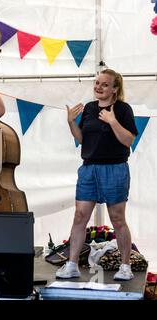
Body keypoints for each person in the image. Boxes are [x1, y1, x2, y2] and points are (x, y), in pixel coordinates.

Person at [56, 69, 138, 281]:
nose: (98, 87)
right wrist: (71, 122)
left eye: (104, 84)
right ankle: (72, 264)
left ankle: (125, 266)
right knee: (79, 216)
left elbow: (128, 140)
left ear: (114, 89)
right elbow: (83, 139)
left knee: (118, 219)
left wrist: (112, 121)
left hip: (115, 168)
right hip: (89, 169)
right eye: (97, 83)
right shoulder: (90, 108)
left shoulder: (122, 109)